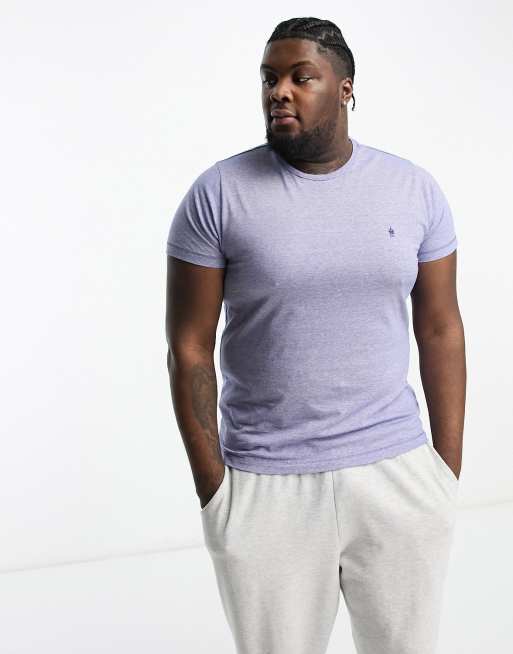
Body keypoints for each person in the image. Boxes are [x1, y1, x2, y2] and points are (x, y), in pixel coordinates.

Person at [165, 16, 466, 654]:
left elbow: (441, 328)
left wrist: (444, 472)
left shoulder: (413, 190)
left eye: (302, 77)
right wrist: (216, 492)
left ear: (345, 88)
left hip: (396, 472)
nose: (280, 91)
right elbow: (189, 347)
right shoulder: (218, 195)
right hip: (266, 485)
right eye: (269, 78)